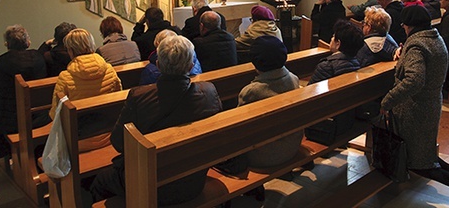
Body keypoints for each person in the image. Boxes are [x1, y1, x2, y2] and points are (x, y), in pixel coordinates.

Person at [90, 35, 222, 205]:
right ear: (190, 66)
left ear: (158, 65)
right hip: (193, 181)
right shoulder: (209, 91)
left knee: (100, 180)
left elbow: (118, 142)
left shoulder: (139, 96)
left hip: (149, 185)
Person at [380, 5, 449, 206]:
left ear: (409, 25)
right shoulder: (433, 38)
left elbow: (414, 80)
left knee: (418, 162)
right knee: (425, 154)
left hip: (415, 110)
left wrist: (388, 100)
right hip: (430, 105)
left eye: (404, 24)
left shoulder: (417, 45)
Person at [0, 25, 48, 164]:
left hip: (13, 119)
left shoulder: (1, 63)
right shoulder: (38, 58)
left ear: (7, 44)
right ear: (27, 42)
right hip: (41, 116)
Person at [237, 36, 302, 167]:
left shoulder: (251, 91)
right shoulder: (294, 79)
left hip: (263, 155)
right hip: (292, 145)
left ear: (255, 62)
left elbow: (240, 129)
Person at [49, 29, 122, 119]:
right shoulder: (109, 70)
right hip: (107, 121)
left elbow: (56, 113)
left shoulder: (65, 77)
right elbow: (118, 99)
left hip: (77, 127)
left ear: (71, 51)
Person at [308, 20, 364, 85]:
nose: (331, 39)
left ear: (338, 43)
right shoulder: (357, 62)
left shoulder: (326, 66)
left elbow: (311, 90)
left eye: (333, 36)